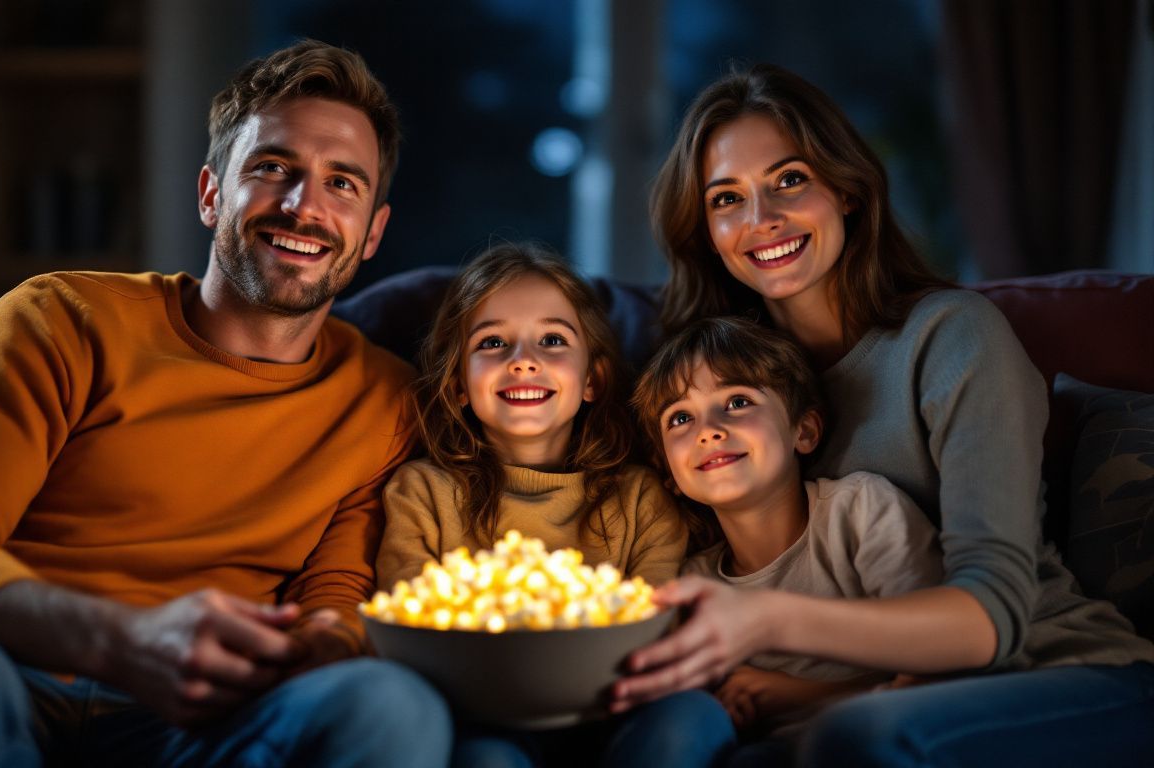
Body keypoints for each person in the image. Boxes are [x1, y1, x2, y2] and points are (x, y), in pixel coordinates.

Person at [0, 40, 451, 767]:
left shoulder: (387, 400)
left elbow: (334, 593)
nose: (305, 206)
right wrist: (117, 639)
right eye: (273, 169)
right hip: (2, 674)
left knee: (389, 704)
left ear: (372, 232)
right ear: (212, 194)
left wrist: (320, 643)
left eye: (343, 183)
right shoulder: (65, 318)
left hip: (202, 724)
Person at [609, 63, 1154, 766]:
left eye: (789, 180)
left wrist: (766, 621)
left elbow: (994, 616)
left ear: (847, 190)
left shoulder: (953, 335)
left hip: (1068, 676)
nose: (760, 220)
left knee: (857, 738)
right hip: (869, 699)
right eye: (725, 199)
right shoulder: (720, 391)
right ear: (706, 231)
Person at [376, 242, 735, 768]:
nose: (524, 361)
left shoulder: (638, 498)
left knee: (694, 719)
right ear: (456, 383)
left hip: (621, 709)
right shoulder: (423, 493)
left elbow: (658, 624)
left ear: (593, 379)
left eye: (552, 340)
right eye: (494, 342)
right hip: (484, 716)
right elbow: (414, 628)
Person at [632, 316, 949, 743]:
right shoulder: (694, 583)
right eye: (680, 419)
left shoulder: (860, 510)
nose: (708, 431)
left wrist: (804, 695)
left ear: (804, 430)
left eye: (738, 402)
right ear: (669, 474)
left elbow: (938, 661)